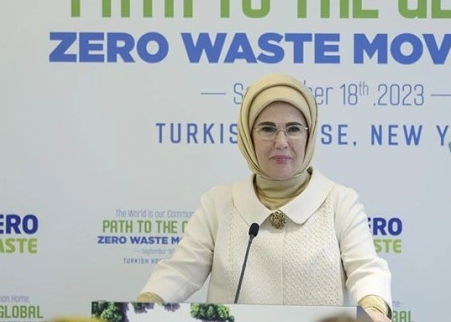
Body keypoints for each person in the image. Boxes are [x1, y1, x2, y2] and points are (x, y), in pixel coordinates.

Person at [137, 73, 392, 322]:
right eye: (267, 129)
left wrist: (373, 308)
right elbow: (181, 271)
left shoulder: (340, 202)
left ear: (310, 135)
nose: (281, 142)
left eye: (293, 129)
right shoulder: (217, 204)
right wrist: (145, 306)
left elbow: (366, 270)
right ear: (248, 136)